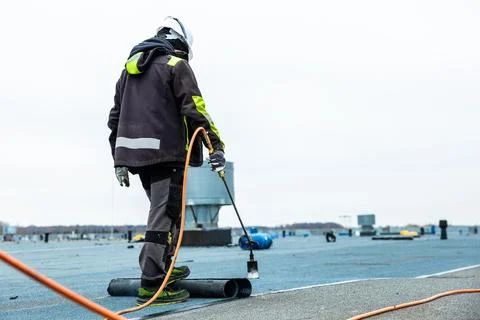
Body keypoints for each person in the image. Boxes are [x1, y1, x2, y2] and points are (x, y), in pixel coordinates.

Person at [107, 16, 225, 305]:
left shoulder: (128, 71)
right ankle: (152, 281)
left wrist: (118, 160)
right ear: (180, 44)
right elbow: (196, 110)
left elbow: (115, 118)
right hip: (168, 155)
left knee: (167, 213)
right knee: (164, 216)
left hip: (137, 158)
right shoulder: (176, 66)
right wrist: (216, 148)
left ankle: (165, 267)